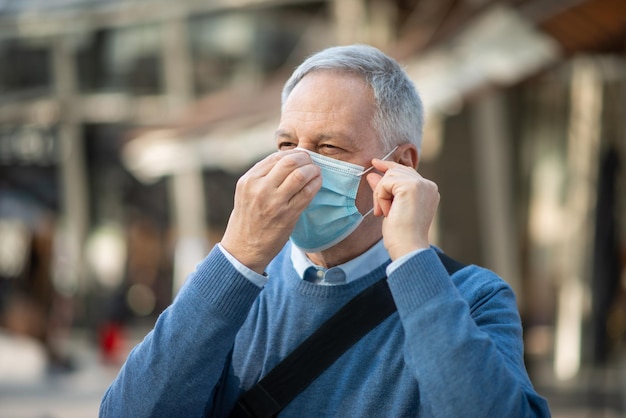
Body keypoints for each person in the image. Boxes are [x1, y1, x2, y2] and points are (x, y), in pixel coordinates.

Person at [100, 44, 550, 417]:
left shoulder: (472, 296)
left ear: (401, 165)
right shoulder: (236, 289)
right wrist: (236, 257)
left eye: (328, 147)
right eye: (285, 144)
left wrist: (413, 257)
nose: (296, 165)